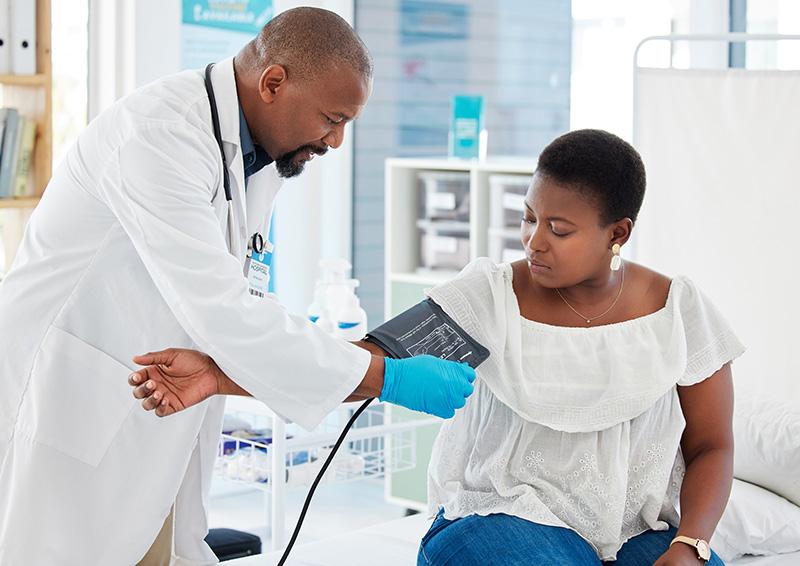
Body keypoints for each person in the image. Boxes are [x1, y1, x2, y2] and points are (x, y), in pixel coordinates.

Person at [0, 8, 473, 565]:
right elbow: (224, 312)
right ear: (273, 83)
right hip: (66, 399)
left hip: (150, 406)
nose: (337, 141)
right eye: (331, 119)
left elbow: (236, 298)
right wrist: (383, 376)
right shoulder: (159, 136)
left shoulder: (257, 157)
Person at [138, 130, 742, 565]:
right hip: (506, 517)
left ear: (618, 233)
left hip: (639, 532)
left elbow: (712, 445)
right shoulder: (491, 296)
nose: (534, 241)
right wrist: (218, 375)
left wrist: (691, 544)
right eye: (528, 217)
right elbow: (360, 362)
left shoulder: (678, 311)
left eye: (559, 229)